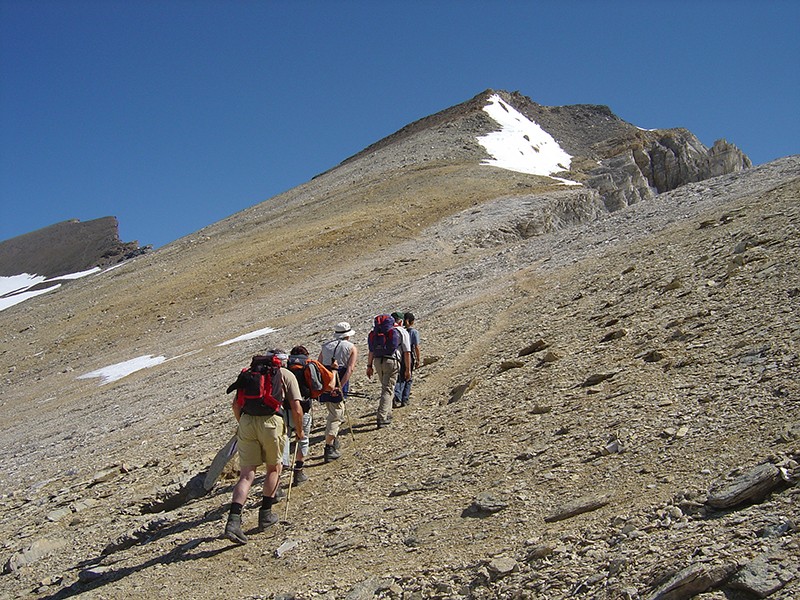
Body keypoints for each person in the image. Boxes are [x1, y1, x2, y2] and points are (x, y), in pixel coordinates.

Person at [223, 350, 305, 545]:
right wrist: (300, 432)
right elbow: (297, 408)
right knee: (273, 469)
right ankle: (265, 514)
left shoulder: (249, 372)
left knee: (246, 475)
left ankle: (233, 521)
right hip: (271, 422)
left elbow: (235, 405)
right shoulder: (285, 375)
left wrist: (242, 424)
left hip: (247, 422)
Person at [318, 322, 358, 462]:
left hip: (326, 379)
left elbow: (319, 364)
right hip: (340, 377)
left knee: (332, 410)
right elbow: (350, 369)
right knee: (336, 415)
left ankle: (333, 440)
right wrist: (341, 385)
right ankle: (329, 446)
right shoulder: (351, 347)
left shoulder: (325, 346)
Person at [367, 312, 411, 428]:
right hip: (392, 361)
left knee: (386, 387)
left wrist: (369, 366)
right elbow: (407, 352)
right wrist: (408, 369)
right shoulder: (401, 331)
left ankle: (388, 413)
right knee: (388, 389)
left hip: (377, 360)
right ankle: (381, 417)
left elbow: (371, 350)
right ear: (400, 321)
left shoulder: (376, 332)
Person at [283, 345, 314, 486]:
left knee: (284, 439)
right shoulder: (307, 365)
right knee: (302, 438)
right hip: (303, 408)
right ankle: (299, 471)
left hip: (283, 410)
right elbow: (316, 386)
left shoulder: (284, 369)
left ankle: (281, 468)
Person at [394, 311, 421, 407]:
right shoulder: (414, 332)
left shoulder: (399, 331)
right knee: (408, 378)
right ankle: (404, 398)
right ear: (411, 321)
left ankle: (397, 395)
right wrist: (418, 359)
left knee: (400, 377)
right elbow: (416, 346)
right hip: (409, 356)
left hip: (398, 357)